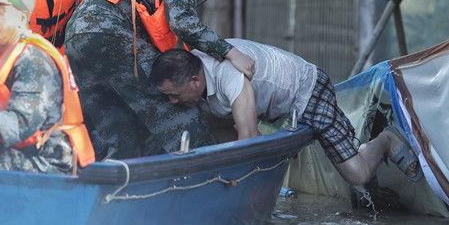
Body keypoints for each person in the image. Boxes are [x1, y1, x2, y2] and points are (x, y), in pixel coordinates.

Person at [64, 0, 255, 160]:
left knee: (113, 121)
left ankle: (114, 184)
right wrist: (231, 53)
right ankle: (209, 175)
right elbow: (182, 22)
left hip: (76, 37)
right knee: (174, 96)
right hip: (108, 33)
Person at [150, 39, 423, 186]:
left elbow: (248, 135)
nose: (172, 102)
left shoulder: (228, 74)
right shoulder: (196, 69)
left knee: (358, 175)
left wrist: (235, 186)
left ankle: (387, 140)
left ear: (195, 82)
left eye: (174, 95)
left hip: (308, 91)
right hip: (276, 107)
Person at [0, 0, 94, 173]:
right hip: (23, 154)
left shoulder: (32, 60)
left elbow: (18, 126)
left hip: (50, 164)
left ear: (21, 18)